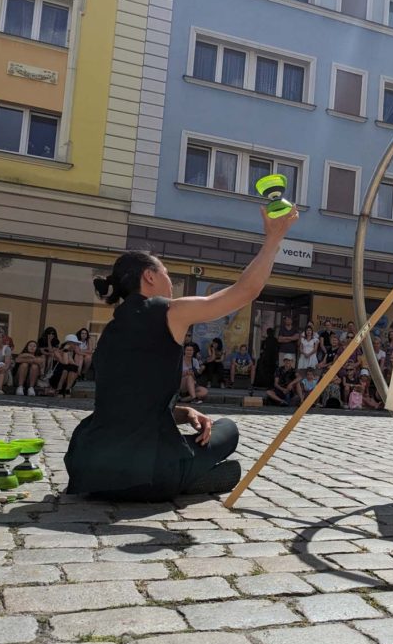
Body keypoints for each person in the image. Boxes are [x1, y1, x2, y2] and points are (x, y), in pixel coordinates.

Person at [64, 204, 298, 502]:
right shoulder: (167, 311)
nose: (170, 283)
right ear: (149, 276)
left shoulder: (110, 332)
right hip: (148, 473)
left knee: (199, 437)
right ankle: (191, 477)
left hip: (90, 466)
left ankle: (195, 475)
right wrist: (273, 240)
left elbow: (129, 404)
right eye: (166, 274)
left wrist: (185, 412)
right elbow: (243, 293)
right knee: (228, 430)